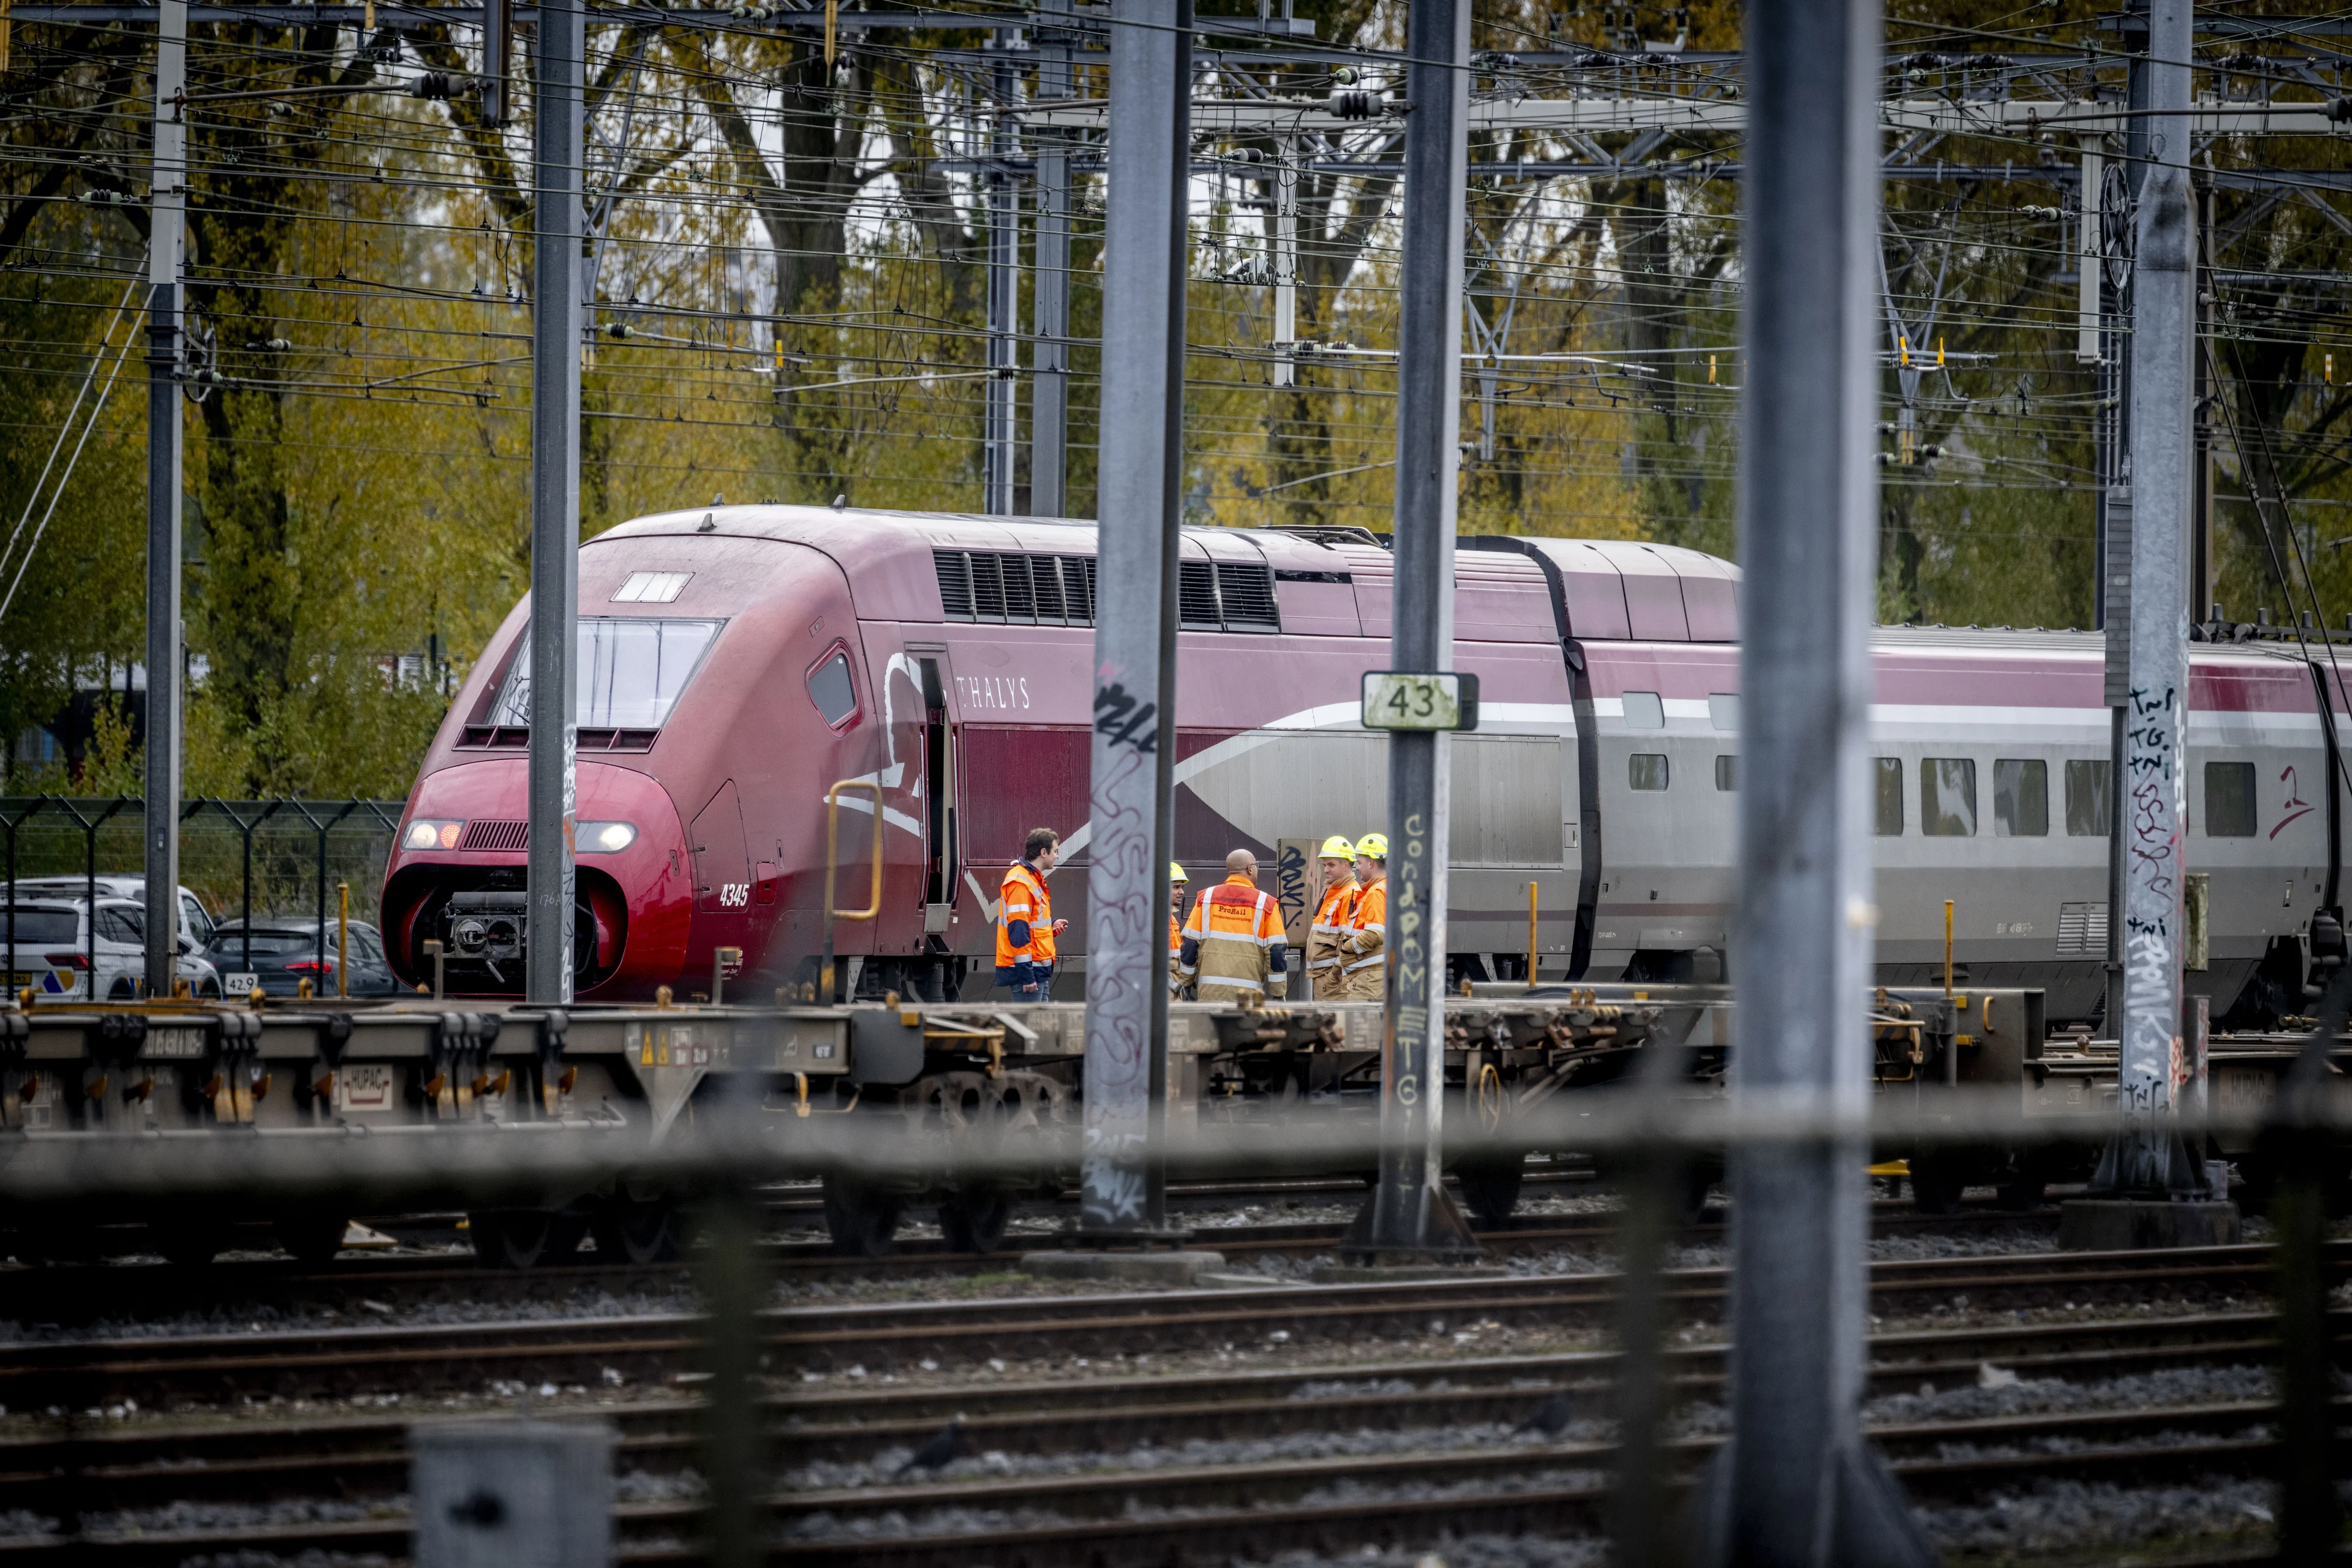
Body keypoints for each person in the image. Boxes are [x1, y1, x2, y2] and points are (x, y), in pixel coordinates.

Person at [1177, 849, 1287, 1005]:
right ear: (1250, 869)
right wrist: (1278, 994)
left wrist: (1186, 982)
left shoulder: (1206, 899)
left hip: (1209, 994)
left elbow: (1190, 944)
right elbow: (1276, 951)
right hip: (1248, 997)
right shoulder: (1266, 904)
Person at [994, 827, 1069, 1000]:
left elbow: (1031, 924)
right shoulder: (1021, 883)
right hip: (1029, 974)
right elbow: (1018, 932)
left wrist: (1051, 925)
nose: (1057, 856)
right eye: (1055, 851)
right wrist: (1027, 977)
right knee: (1028, 1025)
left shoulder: (1032, 880)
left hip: (1037, 971)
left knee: (1039, 1026)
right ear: (1044, 852)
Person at [1303, 835, 1359, 1000]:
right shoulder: (1334, 892)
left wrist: (1334, 975)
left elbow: (1349, 941)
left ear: (1346, 865)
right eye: (1325, 865)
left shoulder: (1351, 894)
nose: (1326, 870)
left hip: (1333, 983)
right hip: (1325, 980)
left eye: (1331, 865)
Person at [1334, 831, 1388, 1001]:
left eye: (1359, 862)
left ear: (1371, 863)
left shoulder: (1376, 892)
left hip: (1368, 981)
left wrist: (1346, 948)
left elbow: (1374, 934)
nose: (1356, 867)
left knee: (1360, 1025)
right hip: (1377, 978)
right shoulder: (1392, 888)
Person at [1167, 862, 1191, 999]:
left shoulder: (1170, 918)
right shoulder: (1151, 920)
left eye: (1181, 887)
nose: (1182, 892)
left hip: (1172, 990)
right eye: (1176, 887)